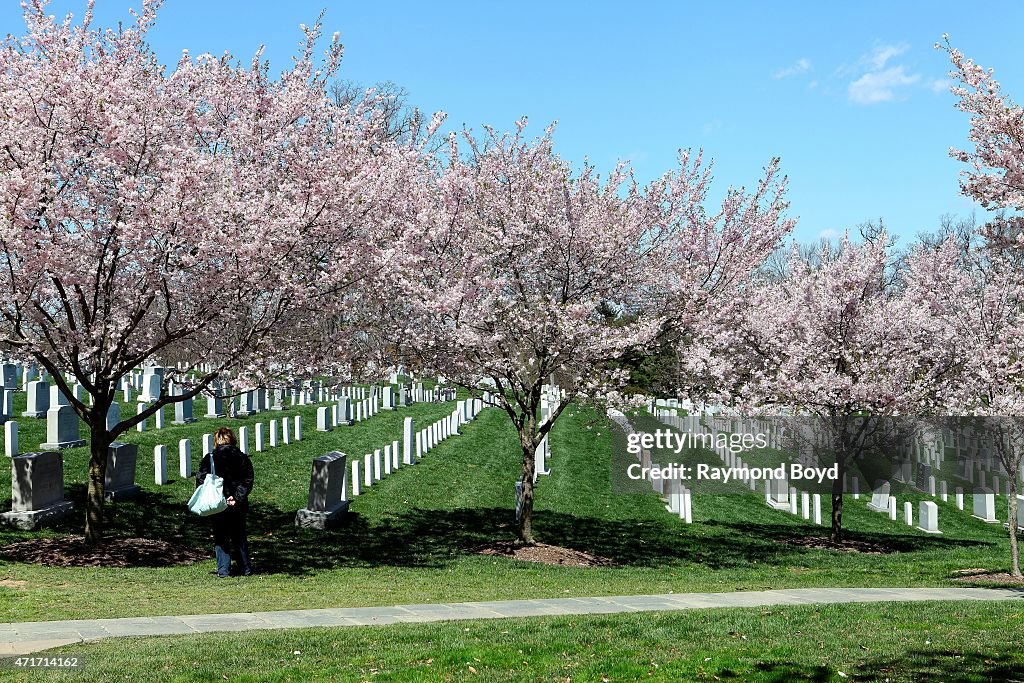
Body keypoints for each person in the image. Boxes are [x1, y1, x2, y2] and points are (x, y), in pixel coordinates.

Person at [196, 427, 255, 577]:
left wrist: (221, 496)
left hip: (217, 502)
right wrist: (236, 497)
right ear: (232, 439)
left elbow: (201, 479)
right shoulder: (242, 457)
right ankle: (245, 568)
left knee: (221, 536)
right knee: (239, 535)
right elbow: (247, 480)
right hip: (238, 503)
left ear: (217, 441)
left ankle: (223, 570)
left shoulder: (210, 458)